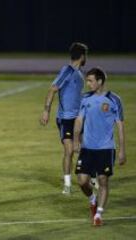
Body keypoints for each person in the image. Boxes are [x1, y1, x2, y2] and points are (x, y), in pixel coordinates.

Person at [73, 68, 126, 226]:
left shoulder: (114, 99)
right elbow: (79, 120)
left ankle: (98, 214)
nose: (88, 84)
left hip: (106, 148)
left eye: (90, 80)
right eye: (87, 80)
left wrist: (122, 150)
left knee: (103, 180)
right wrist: (76, 139)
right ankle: (92, 199)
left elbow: (120, 126)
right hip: (87, 148)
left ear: (100, 81)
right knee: (82, 181)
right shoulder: (85, 99)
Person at [40, 42, 88, 194]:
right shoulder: (67, 70)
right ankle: (67, 184)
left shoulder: (80, 73)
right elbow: (53, 89)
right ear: (82, 56)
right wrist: (46, 111)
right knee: (69, 150)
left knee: (83, 149)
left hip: (79, 118)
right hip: (66, 118)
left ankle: (91, 178)